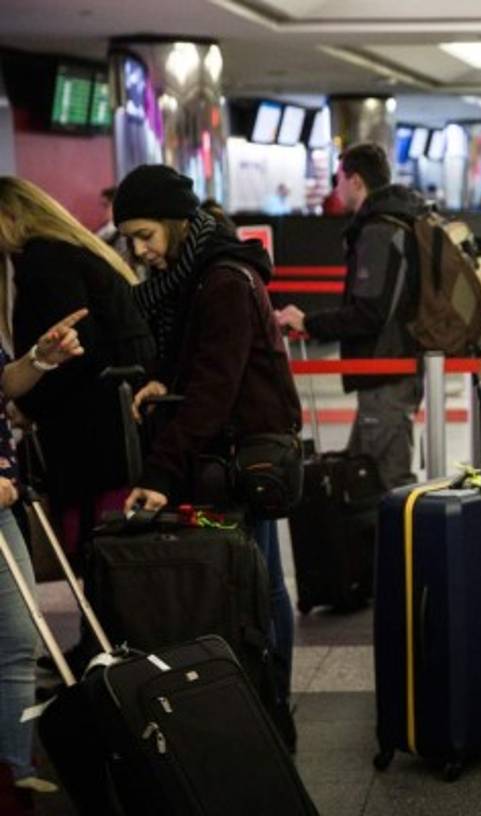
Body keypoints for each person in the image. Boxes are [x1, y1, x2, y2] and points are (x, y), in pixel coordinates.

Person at [114, 164, 302, 746]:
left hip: (240, 453)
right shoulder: (203, 272)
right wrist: (163, 379)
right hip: (236, 449)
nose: (141, 251)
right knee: (258, 578)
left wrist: (162, 473)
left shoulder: (220, 280)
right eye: (130, 240)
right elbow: (200, 359)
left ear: (175, 221)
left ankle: (270, 711)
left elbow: (215, 390)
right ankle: (267, 706)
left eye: (146, 234)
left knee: (259, 583)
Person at [0, 176, 155, 573]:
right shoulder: (76, 251)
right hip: (119, 423)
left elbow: (67, 351)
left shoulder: (42, 263)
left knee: (98, 550)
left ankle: (105, 633)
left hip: (90, 435)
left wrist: (27, 402)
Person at [275, 143, 425, 488]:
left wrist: (309, 323)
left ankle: (403, 544)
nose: (335, 188)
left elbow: (369, 313)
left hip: (385, 369)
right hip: (395, 366)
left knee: (387, 482)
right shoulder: (400, 220)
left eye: (338, 179)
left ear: (355, 181)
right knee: (369, 472)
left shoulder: (378, 231)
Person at [0, 309, 88, 812]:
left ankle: (18, 772)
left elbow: (3, 384)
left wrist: (38, 360)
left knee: (16, 639)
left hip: (4, 499)